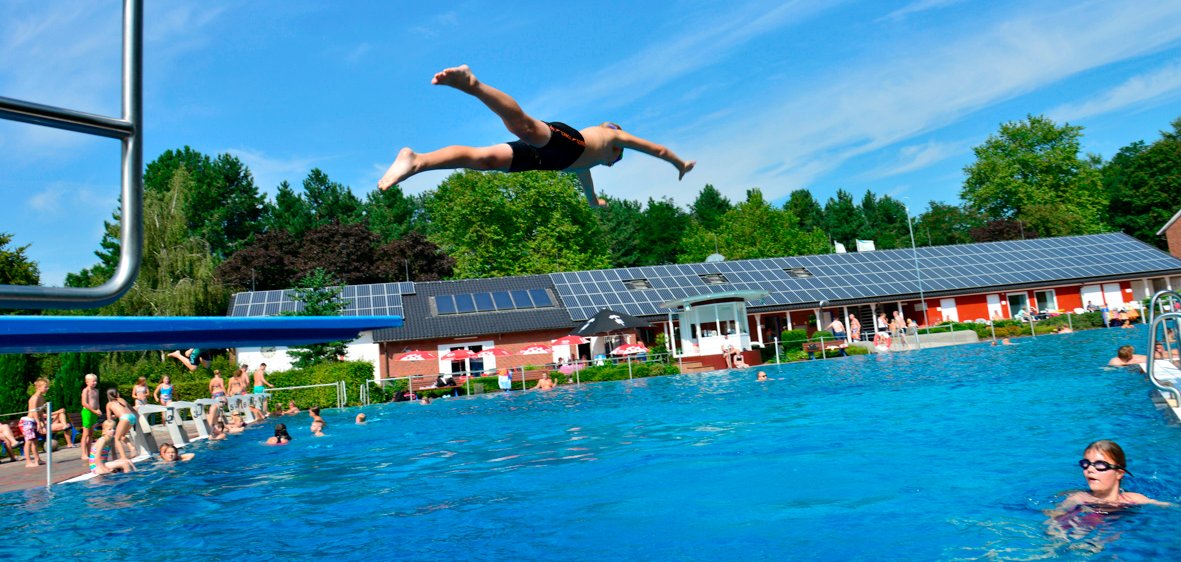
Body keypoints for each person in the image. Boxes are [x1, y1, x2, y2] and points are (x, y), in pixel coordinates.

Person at [377, 65, 696, 207]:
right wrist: (679, 164)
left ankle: (418, 161)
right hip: (569, 142)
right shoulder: (611, 138)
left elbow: (587, 189)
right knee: (523, 126)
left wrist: (595, 203)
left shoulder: (585, 167)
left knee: (484, 159)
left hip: (546, 159)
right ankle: (472, 84)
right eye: (616, 161)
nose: (614, 164)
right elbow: (657, 149)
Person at [1055, 440, 1169, 515]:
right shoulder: (1080, 498)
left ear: (1119, 473)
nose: (1090, 469)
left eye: (1100, 465)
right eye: (1086, 463)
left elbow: (1166, 506)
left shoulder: (1133, 499)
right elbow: (1055, 516)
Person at [21, 378, 50, 467]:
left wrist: (43, 422)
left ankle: (37, 459)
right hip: (28, 422)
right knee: (29, 441)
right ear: (38, 387)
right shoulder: (34, 398)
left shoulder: (42, 398)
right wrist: (38, 423)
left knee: (35, 441)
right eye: (45, 387)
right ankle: (28, 462)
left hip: (35, 421)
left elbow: (40, 412)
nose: (47, 388)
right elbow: (34, 411)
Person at [104, 388, 136, 461]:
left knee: (116, 439)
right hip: (132, 417)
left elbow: (109, 419)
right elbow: (131, 409)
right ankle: (132, 448)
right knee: (122, 436)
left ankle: (123, 457)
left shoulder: (108, 404)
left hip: (124, 418)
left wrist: (109, 425)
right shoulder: (121, 399)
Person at [80, 373, 101, 460]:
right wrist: (94, 411)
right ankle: (83, 454)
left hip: (94, 413)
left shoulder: (96, 391)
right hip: (87, 412)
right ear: (87, 382)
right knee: (85, 434)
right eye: (93, 381)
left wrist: (98, 409)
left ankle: (89, 452)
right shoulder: (86, 390)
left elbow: (97, 401)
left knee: (91, 434)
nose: (94, 383)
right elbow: (84, 403)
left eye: (95, 381)